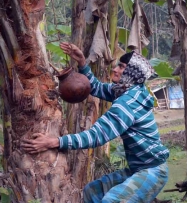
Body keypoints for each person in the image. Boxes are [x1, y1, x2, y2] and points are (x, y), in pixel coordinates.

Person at [21, 42, 169, 203]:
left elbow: (98, 135)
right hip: (137, 169)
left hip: (152, 171)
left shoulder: (127, 103)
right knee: (91, 192)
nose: (115, 69)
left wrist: (54, 142)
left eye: (121, 67)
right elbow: (96, 87)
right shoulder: (129, 90)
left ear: (131, 74)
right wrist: (82, 62)